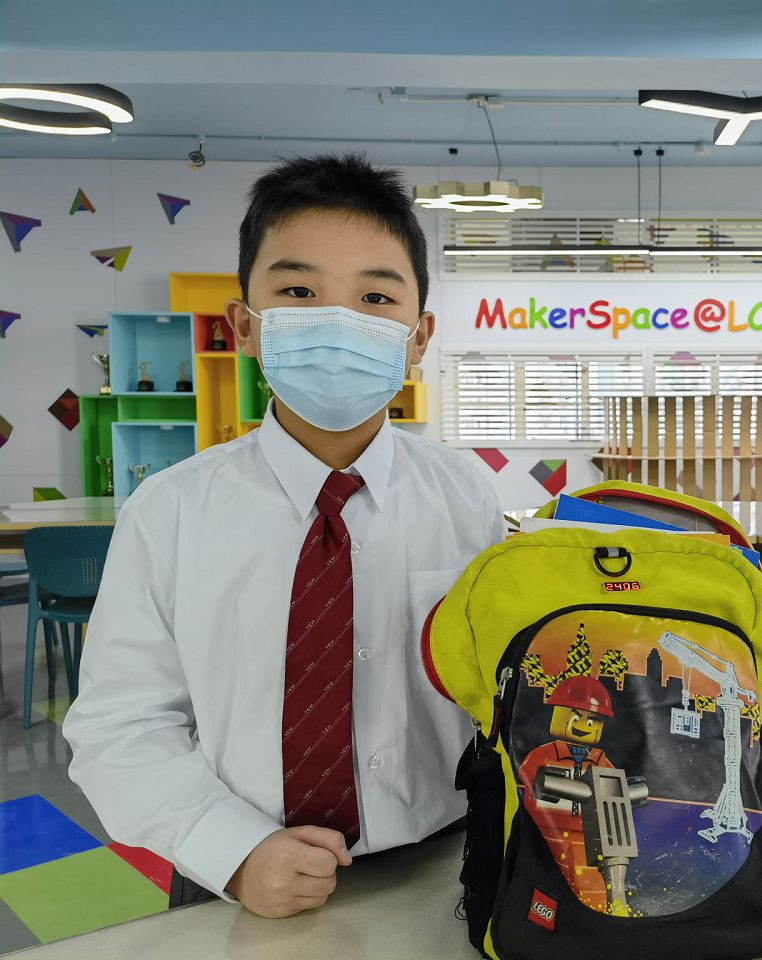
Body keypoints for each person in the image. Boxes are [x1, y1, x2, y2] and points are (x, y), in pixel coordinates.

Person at [64, 154, 506, 917]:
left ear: (418, 337)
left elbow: (493, 683)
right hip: (231, 871)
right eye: (299, 292)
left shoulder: (465, 495)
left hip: (446, 864)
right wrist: (229, 849)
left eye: (376, 296)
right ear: (245, 325)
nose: (339, 322)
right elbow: (120, 724)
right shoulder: (170, 511)